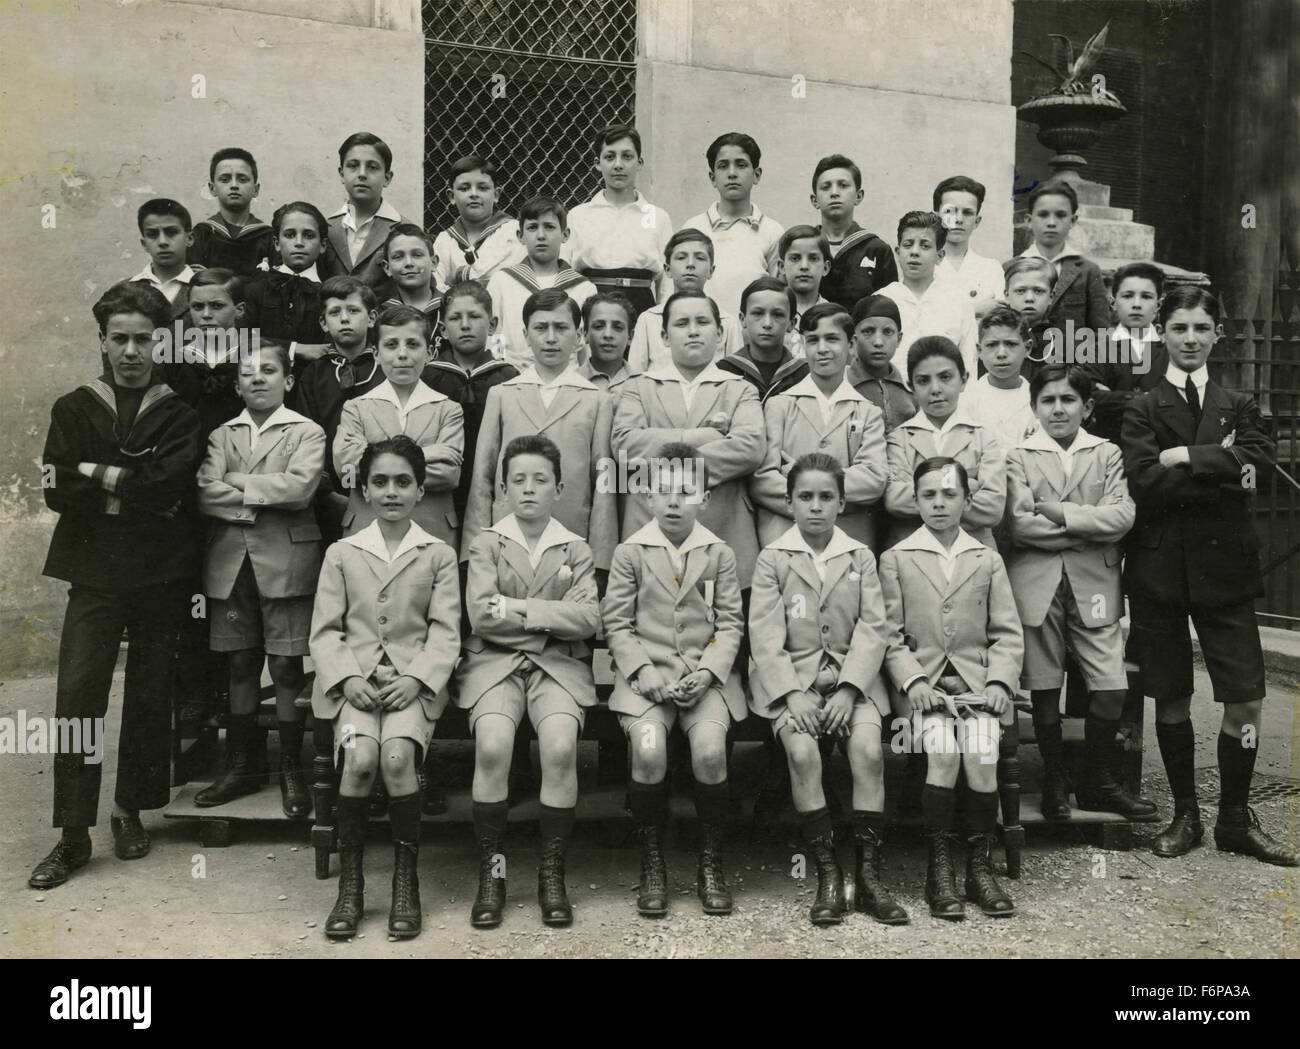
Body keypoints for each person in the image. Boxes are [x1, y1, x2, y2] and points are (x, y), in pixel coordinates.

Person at [28, 283, 201, 890]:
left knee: (151, 692)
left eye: (143, 339)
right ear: (102, 341)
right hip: (94, 571)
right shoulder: (74, 407)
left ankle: (129, 811)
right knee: (78, 696)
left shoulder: (180, 413)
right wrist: (133, 480)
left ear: (161, 343)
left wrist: (97, 475)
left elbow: (169, 485)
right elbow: (56, 486)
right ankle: (73, 833)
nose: (131, 350)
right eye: (120, 338)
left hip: (161, 571)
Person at [1122, 287, 1296, 866]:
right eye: (1179, 329)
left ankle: (1233, 818)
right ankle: (1184, 813)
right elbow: (1143, 482)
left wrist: (1184, 458)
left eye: (1201, 328)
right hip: (1161, 569)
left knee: (1246, 699)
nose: (1190, 338)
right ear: (1162, 334)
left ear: (1216, 334)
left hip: (1225, 569)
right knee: (1170, 698)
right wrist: (1216, 460)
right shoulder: (1143, 405)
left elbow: (1258, 466)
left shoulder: (1240, 403)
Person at [310, 435, 461, 938]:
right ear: (364, 490)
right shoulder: (342, 552)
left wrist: (418, 678)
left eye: (403, 482)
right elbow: (326, 631)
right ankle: (350, 888)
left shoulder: (437, 553)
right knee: (358, 759)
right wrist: (347, 676)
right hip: (354, 688)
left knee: (396, 759)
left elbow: (445, 631)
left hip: (410, 689)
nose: (391, 492)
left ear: (420, 491)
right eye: (380, 482)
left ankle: (404, 884)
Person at [749, 454, 905, 926]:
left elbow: (873, 628)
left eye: (825, 498)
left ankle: (870, 876)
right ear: (790, 502)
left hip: (850, 684)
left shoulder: (859, 555)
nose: (815, 507)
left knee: (869, 753)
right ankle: (828, 874)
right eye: (805, 497)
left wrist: (849, 689)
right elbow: (764, 635)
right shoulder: (772, 558)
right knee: (802, 753)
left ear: (841, 502)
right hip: (792, 683)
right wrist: (792, 694)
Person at [457, 435, 601, 927]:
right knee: (494, 746)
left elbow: (587, 620)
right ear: (502, 488)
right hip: (493, 665)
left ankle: (551, 873)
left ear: (559, 487)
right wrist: (548, 619)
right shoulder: (487, 543)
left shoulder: (575, 548)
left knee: (560, 748)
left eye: (541, 480)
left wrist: (518, 608)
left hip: (558, 666)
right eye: (517, 480)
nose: (529, 490)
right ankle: (492, 873)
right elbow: (481, 616)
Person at [1005, 363, 1154, 822]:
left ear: (1087, 407)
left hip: (1094, 583)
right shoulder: (1019, 455)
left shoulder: (1106, 454)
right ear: (1034, 407)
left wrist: (1057, 513)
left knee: (1111, 688)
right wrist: (1085, 526)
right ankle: (1053, 779)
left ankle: (1095, 779)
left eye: (1068, 400)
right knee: (1045, 687)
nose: (1058, 409)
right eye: (1047, 400)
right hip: (1037, 581)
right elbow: (1018, 525)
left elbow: (1121, 517)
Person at [603, 443, 746, 916]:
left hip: (703, 679)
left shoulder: (719, 553)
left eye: (685, 490)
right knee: (648, 748)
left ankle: (711, 862)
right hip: (646, 678)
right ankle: (654, 863)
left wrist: (707, 672)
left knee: (708, 751)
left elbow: (729, 624)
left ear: (704, 497)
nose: (673, 501)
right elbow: (617, 625)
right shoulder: (631, 551)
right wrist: (642, 672)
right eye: (662, 490)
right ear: (645, 494)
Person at [879, 457, 1024, 919]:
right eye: (928, 495)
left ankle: (978, 870)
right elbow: (887, 634)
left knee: (982, 751)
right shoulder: (897, 558)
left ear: (966, 499)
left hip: (976, 687)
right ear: (916, 500)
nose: (939, 504)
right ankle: (938, 869)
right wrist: (914, 679)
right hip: (921, 692)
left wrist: (1000, 681)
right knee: (942, 749)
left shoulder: (987, 558)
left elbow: (1007, 632)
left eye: (949, 494)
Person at [194, 342, 325, 817]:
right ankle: (242, 766)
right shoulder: (222, 434)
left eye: (269, 371)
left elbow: (300, 488)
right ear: (236, 385)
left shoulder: (306, 431)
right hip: (230, 564)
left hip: (287, 561)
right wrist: (261, 497)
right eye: (247, 373)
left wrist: (238, 487)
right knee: (240, 665)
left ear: (287, 381)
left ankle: (292, 767)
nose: (257, 379)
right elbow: (206, 492)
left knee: (288, 665)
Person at [613, 290, 766, 589]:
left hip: (724, 526)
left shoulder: (740, 389)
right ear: (665, 336)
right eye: (682, 323)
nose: (693, 331)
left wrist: (664, 460)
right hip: (650, 525)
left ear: (720, 333)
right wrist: (702, 436)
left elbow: (749, 447)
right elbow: (624, 444)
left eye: (703, 322)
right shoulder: (639, 388)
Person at [463, 287, 618, 572]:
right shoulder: (502, 394)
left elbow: (603, 483)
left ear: (578, 336)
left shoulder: (597, 399)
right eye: (540, 328)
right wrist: (475, 550)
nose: (550, 338)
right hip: (506, 542)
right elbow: (482, 478)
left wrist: (601, 557)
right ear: (525, 336)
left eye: (560, 328)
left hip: (572, 543)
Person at [750, 302, 886, 549]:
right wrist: (834, 496)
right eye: (813, 340)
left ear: (852, 345)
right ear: (803, 346)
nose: (822, 349)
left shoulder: (868, 411)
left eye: (832, 339)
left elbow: (873, 479)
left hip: (849, 542)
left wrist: (800, 480)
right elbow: (763, 479)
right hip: (785, 539)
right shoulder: (779, 405)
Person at [334, 304, 464, 548]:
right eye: (391, 345)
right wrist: (425, 454)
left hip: (432, 531)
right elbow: (347, 473)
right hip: (366, 530)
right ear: (376, 353)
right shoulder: (356, 407)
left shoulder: (448, 409)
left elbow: (449, 476)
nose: (402, 354)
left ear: (430, 352)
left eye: (413, 345)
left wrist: (373, 470)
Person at [884, 336, 1006, 548]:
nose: (935, 389)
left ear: (964, 379)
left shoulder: (983, 437)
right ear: (911, 385)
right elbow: (895, 500)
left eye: (945, 377)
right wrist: (966, 483)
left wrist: (923, 490)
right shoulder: (899, 438)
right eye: (923, 380)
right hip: (912, 552)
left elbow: (993, 508)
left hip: (974, 551)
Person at [421, 281, 519, 528]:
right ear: (442, 329)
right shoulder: (428, 378)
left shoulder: (509, 378)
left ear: (492, 325)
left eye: (474, 316)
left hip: (493, 490)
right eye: (455, 318)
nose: (465, 325)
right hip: (436, 492)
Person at [564, 123, 672, 314]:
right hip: (591, 304)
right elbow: (566, 272)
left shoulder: (657, 217)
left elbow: (667, 280)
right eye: (610, 156)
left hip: (641, 305)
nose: (618, 165)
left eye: (627, 156)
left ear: (639, 163)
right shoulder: (578, 215)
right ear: (598, 163)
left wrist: (662, 317)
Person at [486, 195, 597, 373]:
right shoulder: (502, 281)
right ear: (520, 236)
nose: (541, 235)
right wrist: (505, 362)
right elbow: (494, 336)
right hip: (513, 373)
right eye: (532, 227)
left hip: (567, 377)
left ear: (565, 234)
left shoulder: (583, 288)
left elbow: (585, 347)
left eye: (549, 227)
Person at [680, 131, 783, 318]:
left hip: (751, 337)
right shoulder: (693, 228)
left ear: (757, 175)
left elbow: (778, 292)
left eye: (741, 165)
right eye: (723, 166)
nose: (732, 173)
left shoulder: (772, 231)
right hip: (704, 332)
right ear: (712, 177)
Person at [626, 229, 743, 374]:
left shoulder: (727, 322)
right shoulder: (648, 320)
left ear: (711, 271)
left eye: (700, 258)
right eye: (681, 257)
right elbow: (634, 376)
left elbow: (735, 378)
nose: (690, 265)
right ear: (667, 269)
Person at [877, 210, 978, 377]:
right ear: (897, 252)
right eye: (908, 244)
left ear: (939, 256)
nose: (914, 252)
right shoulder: (882, 299)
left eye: (925, 245)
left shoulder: (959, 301)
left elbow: (968, 364)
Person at [1081, 261, 1165, 444]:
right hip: (1111, 445)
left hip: (1160, 447)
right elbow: (1090, 395)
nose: (1136, 304)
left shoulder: (1169, 348)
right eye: (1127, 296)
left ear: (1158, 304)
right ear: (1113, 302)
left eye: (1146, 296)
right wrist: (1147, 399)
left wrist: (1113, 397)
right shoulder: (1097, 348)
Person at [1017, 180, 1109, 343]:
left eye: (1060, 215)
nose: (1051, 223)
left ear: (1073, 221)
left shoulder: (1087, 271)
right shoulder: (1011, 268)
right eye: (1043, 214)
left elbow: (1100, 334)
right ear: (1028, 220)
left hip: (1073, 364)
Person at [243, 201, 332, 354]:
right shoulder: (256, 290)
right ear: (277, 243)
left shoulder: (330, 294)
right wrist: (295, 349)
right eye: (290, 235)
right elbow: (243, 341)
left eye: (309, 236)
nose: (299, 243)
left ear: (323, 245)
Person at [809, 154, 897, 310]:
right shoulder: (805, 246)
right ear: (814, 200)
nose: (834, 192)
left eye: (843, 185)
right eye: (826, 186)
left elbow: (887, 309)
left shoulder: (877, 249)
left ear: (858, 196)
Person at [323, 131, 408, 291]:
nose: (362, 174)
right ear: (342, 174)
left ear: (387, 178)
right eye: (353, 166)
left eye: (372, 167)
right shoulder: (326, 229)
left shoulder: (403, 229)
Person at [433, 156, 526, 288]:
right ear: (452, 196)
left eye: (482, 188)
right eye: (464, 188)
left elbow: (513, 278)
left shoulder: (514, 232)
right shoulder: (445, 241)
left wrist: (459, 275)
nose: (473, 194)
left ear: (496, 194)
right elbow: (437, 286)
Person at [716, 276, 808, 404]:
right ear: (743, 319)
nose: (767, 323)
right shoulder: (723, 371)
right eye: (758, 313)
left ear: (792, 323)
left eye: (777, 315)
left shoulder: (804, 374)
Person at [960, 305, 1038, 452]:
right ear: (979, 351)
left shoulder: (1037, 399)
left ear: (1027, 348)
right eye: (992, 345)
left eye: (1010, 344)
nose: (1001, 353)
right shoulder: (967, 400)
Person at [190, 147, 274, 276]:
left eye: (242, 179)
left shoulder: (268, 238)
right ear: (212, 188)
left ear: (255, 189)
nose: (234, 185)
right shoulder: (202, 234)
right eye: (225, 179)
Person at [932, 175, 1004, 319]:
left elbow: (999, 317)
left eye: (967, 213)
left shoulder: (991, 269)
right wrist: (975, 310)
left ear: (977, 221)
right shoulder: (923, 265)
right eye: (950, 211)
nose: (958, 220)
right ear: (936, 218)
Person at [847, 294, 916, 433]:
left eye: (888, 332)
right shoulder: (843, 385)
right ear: (854, 339)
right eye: (868, 331)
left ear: (899, 338)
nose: (878, 342)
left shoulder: (911, 389)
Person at [129, 199, 199, 322]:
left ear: (189, 238)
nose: (162, 242)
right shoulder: (124, 291)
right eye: (152, 234)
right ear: (144, 244)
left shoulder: (208, 289)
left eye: (171, 232)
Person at [579, 291, 634, 397]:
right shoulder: (571, 383)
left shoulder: (643, 385)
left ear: (630, 336)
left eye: (617, 327)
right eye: (599, 326)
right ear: (585, 334)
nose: (608, 335)